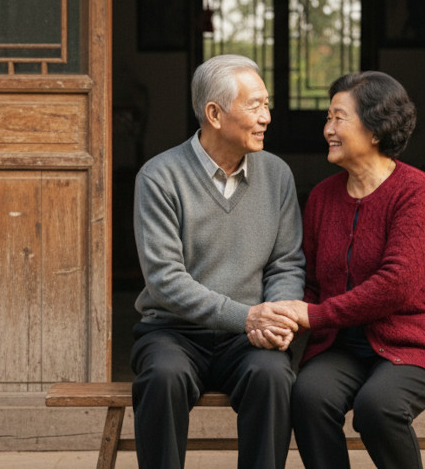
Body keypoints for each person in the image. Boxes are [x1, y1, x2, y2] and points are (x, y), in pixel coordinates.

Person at [253, 70, 425, 469]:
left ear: (377, 129)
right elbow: (311, 282)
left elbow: (395, 285)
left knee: (377, 408)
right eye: (328, 119)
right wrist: (284, 321)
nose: (328, 129)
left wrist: (313, 315)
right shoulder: (323, 198)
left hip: (412, 344)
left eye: (339, 118)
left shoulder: (416, 192)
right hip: (342, 346)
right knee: (308, 398)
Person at [130, 54, 304, 469]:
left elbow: (287, 264)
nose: (265, 117)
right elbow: (165, 281)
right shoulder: (159, 177)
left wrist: (277, 318)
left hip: (248, 338)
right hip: (173, 331)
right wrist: (247, 316)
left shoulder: (277, 175)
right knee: (163, 377)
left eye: (267, 105)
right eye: (255, 105)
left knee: (272, 375)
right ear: (214, 113)